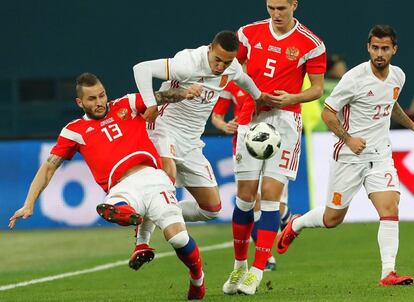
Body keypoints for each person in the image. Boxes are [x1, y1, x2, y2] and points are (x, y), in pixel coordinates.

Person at [8, 73, 207, 300]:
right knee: (111, 205)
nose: (100, 102)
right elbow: (49, 167)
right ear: (79, 102)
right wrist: (28, 204)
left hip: (152, 178)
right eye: (92, 99)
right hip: (121, 188)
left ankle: (197, 280)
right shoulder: (73, 131)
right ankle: (130, 218)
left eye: (102, 95)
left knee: (178, 239)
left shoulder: (127, 104)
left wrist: (185, 92)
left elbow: (160, 96)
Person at [276, 25, 414, 286]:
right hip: (349, 156)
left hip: (381, 155)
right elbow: (328, 113)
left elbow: (390, 104)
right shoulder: (354, 78)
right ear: (368, 48)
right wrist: (348, 139)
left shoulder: (398, 76)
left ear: (394, 49)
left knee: (390, 208)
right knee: (332, 219)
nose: (380, 53)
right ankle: (296, 224)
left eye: (385, 48)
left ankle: (388, 273)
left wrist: (411, 125)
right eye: (375, 47)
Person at [131, 31, 279, 268]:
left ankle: (159, 213)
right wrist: (150, 103)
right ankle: (142, 242)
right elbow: (141, 68)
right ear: (210, 48)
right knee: (166, 176)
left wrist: (259, 96)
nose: (220, 66)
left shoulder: (230, 68)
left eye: (227, 62)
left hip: (191, 142)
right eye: (217, 60)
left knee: (211, 209)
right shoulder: (187, 64)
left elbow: (244, 80)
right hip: (164, 128)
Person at [223, 0, 326, 295]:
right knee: (244, 198)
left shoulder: (312, 43)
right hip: (250, 119)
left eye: (282, 7)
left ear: (295, 5)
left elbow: (316, 88)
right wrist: (250, 95)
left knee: (269, 196)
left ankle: (257, 270)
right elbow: (232, 68)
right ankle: (239, 266)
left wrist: (292, 98)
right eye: (271, 7)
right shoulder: (248, 33)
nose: (276, 14)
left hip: (284, 123)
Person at [212, 81, 292, 272]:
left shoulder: (270, 77)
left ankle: (287, 216)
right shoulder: (232, 84)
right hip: (244, 147)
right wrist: (224, 126)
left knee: (274, 205)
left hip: (273, 146)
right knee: (252, 199)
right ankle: (266, 256)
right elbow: (216, 116)